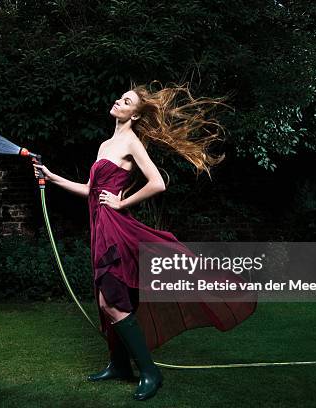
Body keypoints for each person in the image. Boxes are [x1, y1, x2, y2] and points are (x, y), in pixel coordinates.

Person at [33, 80, 257, 401]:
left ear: (135, 115)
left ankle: (151, 372)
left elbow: (157, 183)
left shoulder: (131, 142)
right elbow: (90, 190)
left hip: (115, 227)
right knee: (104, 301)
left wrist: (122, 203)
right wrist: (52, 177)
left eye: (126, 101)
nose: (119, 101)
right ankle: (119, 365)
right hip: (99, 225)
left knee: (112, 300)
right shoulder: (104, 145)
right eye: (121, 97)